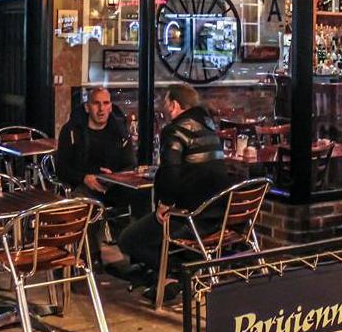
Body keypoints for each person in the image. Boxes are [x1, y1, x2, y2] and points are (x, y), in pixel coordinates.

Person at [118, 84, 232, 298]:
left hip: (190, 218)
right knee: (150, 230)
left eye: (166, 103)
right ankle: (167, 275)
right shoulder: (209, 129)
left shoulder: (175, 130)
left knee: (128, 239)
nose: (165, 108)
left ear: (174, 105)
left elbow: (171, 171)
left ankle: (178, 272)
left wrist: (165, 204)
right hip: (216, 216)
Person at [56, 87, 140, 263]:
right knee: (85, 204)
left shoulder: (120, 131)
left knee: (144, 197)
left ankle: (138, 256)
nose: (101, 109)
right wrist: (84, 177)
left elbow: (130, 164)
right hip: (82, 184)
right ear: (87, 107)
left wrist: (115, 176)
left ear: (110, 106)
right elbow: (61, 169)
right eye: (96, 103)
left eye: (106, 103)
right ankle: (89, 258)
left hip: (114, 184)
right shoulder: (71, 131)